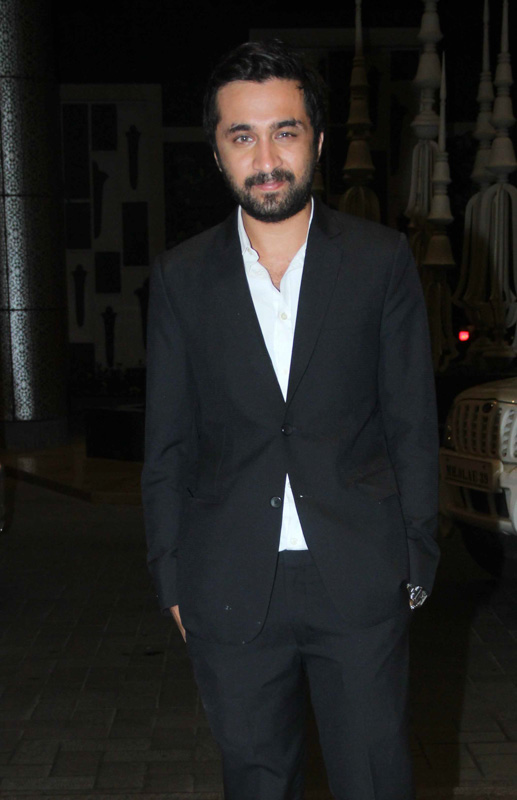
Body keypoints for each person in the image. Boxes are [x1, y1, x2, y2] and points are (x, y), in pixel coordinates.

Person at [142, 39, 439, 800]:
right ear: (217, 150)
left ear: (318, 140)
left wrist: (415, 556)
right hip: (227, 580)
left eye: (286, 131)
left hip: (359, 575)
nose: (266, 158)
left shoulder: (378, 262)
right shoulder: (181, 277)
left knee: (374, 779)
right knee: (256, 782)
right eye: (242, 135)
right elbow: (168, 443)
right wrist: (172, 575)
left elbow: (410, 419)